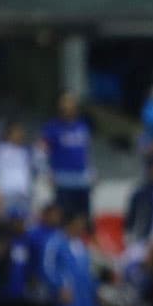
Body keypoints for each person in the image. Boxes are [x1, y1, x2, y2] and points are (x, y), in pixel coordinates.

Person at [41, 91, 95, 224]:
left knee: (84, 218)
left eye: (70, 103)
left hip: (81, 180)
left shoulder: (82, 127)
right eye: (65, 104)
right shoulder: (52, 128)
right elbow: (41, 151)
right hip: (63, 179)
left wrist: (91, 171)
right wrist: (46, 172)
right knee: (65, 219)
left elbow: (86, 152)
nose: (67, 107)